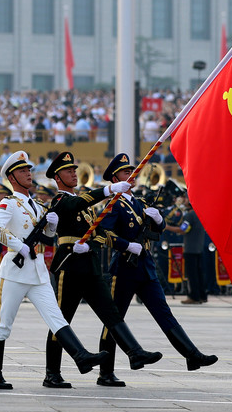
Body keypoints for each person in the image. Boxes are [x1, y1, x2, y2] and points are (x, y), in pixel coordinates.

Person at [0, 150, 106, 390]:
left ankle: (80, 357)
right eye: (22, 171)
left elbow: (48, 238)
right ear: (11, 178)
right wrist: (19, 246)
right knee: (4, 323)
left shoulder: (38, 205)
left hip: (37, 270)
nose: (28, 174)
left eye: (29, 169)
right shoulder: (9, 203)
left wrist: (51, 226)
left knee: (56, 317)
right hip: (15, 271)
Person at [42, 151, 162, 388]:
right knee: (61, 320)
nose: (74, 174)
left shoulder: (87, 207)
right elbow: (76, 203)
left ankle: (134, 352)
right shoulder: (60, 200)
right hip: (70, 265)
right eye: (68, 171)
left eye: (75, 170)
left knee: (111, 313)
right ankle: (52, 373)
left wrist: (113, 242)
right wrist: (108, 191)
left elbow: (99, 232)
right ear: (57, 178)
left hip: (90, 265)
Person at [95, 153, 217, 386]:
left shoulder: (139, 202)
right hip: (124, 266)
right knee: (114, 319)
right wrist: (126, 245)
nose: (131, 176)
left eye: (132, 172)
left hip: (145, 266)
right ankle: (106, 372)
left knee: (164, 313)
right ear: (114, 178)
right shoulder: (114, 204)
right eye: (125, 173)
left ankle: (192, 355)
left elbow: (156, 230)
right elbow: (103, 234)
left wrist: (159, 219)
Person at [166, 189, 207, 305]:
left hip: (190, 249)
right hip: (198, 248)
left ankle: (193, 296)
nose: (184, 200)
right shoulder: (200, 213)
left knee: (192, 274)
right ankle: (202, 295)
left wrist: (167, 227)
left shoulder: (190, 215)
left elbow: (182, 230)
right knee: (199, 273)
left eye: (186, 198)